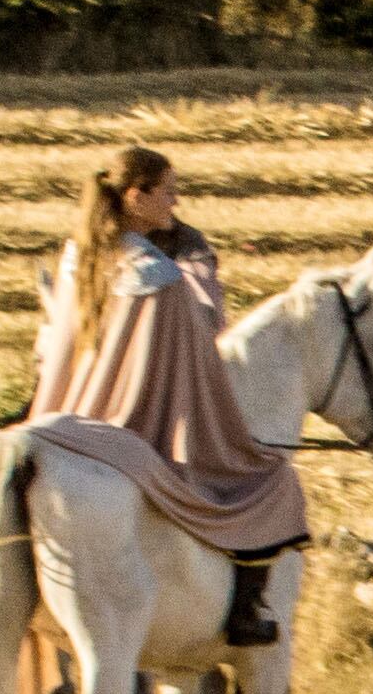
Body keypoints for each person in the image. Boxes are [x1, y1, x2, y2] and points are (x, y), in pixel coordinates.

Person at [32, 146, 306, 646]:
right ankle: (245, 613)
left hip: (65, 413)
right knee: (269, 480)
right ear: (136, 196)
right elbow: (192, 358)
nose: (175, 204)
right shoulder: (157, 275)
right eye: (169, 192)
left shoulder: (79, 255)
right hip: (138, 424)